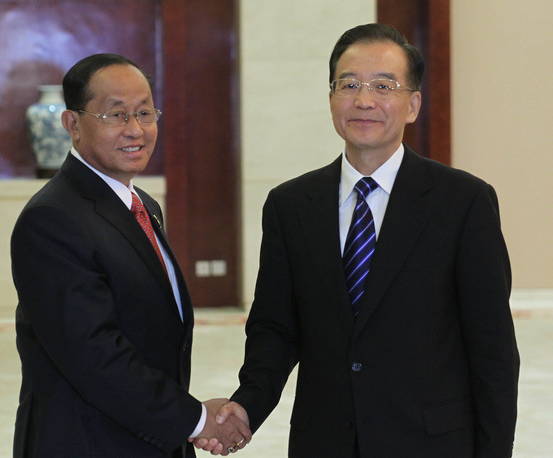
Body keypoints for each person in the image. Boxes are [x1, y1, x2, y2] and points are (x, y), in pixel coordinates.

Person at [197, 23, 520, 457]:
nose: (364, 100)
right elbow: (275, 328)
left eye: (384, 85)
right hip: (324, 442)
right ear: (331, 98)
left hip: (432, 444)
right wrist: (247, 407)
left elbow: (493, 351)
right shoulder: (291, 205)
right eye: (348, 84)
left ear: (413, 104)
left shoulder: (463, 202)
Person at [11, 53, 250, 457]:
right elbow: (94, 357)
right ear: (72, 124)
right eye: (116, 115)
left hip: (149, 437)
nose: (135, 129)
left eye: (145, 112)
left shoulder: (143, 207)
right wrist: (196, 421)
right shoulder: (52, 219)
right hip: (85, 443)